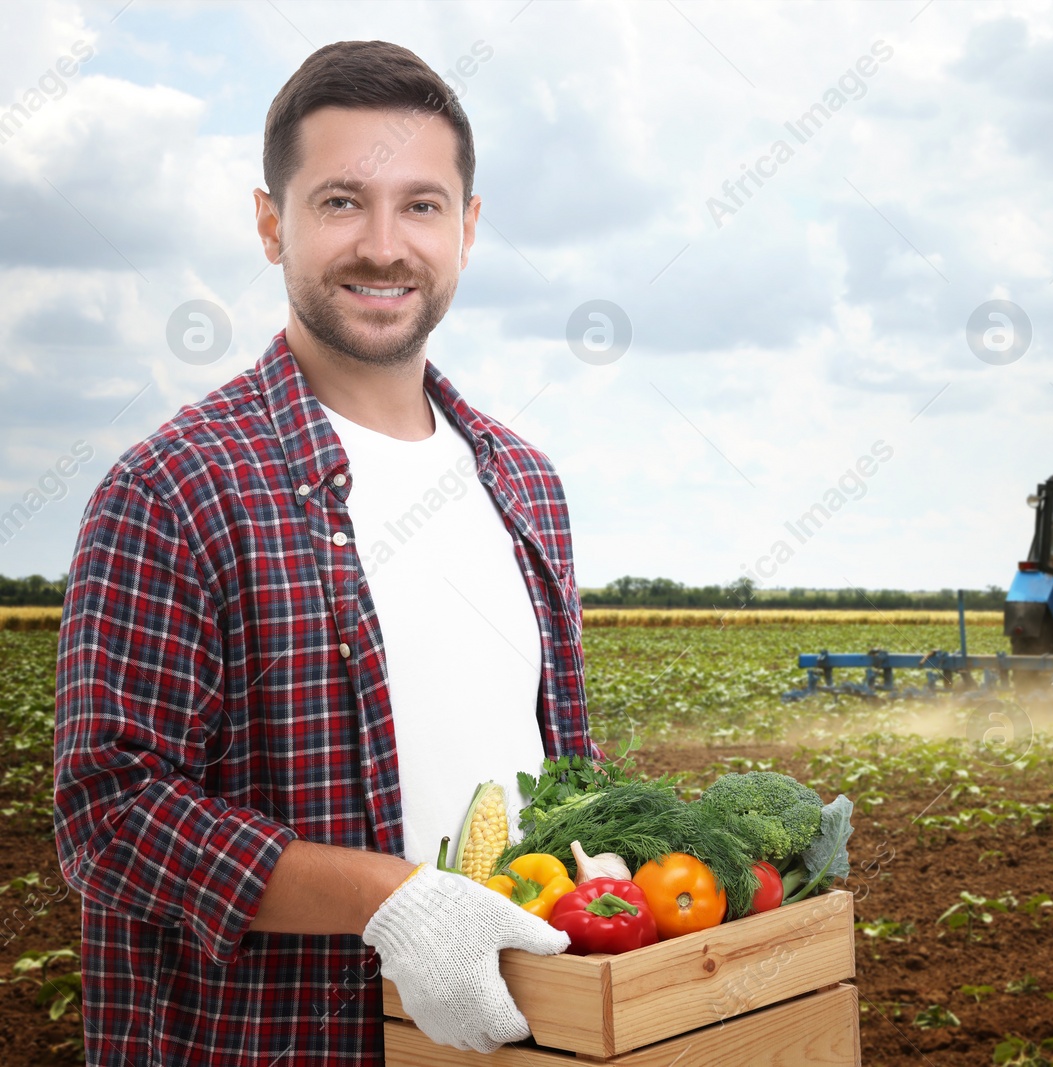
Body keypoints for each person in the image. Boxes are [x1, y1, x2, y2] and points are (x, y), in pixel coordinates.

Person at [52, 40, 600, 1066]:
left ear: (469, 230)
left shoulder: (525, 485)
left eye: (422, 205)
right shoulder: (175, 490)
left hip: (516, 1038)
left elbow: (556, 764)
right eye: (342, 201)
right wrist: (387, 900)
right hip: (282, 1040)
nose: (384, 246)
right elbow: (109, 817)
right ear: (273, 224)